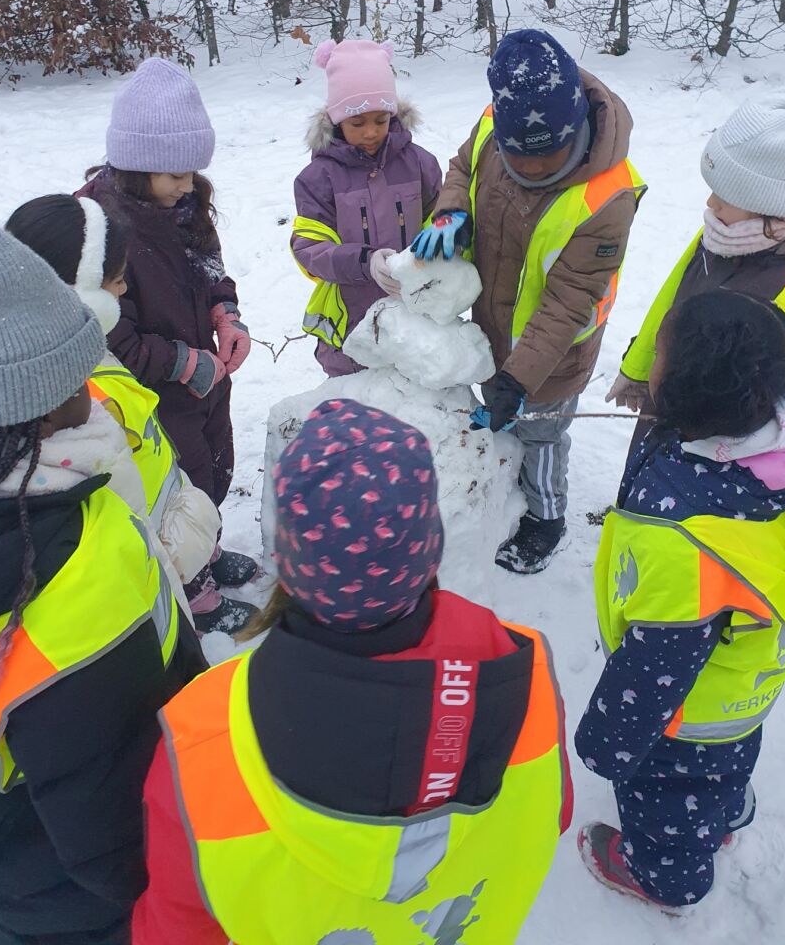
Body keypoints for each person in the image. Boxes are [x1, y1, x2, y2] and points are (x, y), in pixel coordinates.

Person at [133, 399, 572, 945]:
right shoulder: (524, 673)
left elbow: (176, 931)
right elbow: (550, 815)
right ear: (429, 544)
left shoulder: (200, 739)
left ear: (290, 558)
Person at [0, 184, 207, 945]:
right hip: (106, 908)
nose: (95, 398)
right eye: (73, 384)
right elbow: (125, 835)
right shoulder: (79, 578)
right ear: (19, 410)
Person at [576, 290, 785, 909]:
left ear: (677, 388)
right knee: (729, 758)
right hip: (748, 674)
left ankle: (666, 876)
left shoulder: (681, 536)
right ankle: (727, 809)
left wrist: (608, 743)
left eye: (660, 351)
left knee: (665, 792)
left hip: (690, 707)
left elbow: (659, 664)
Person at [411, 29, 644, 574]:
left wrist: (520, 380)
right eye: (522, 158)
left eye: (549, 157)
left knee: (540, 434)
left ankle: (546, 515)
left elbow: (568, 302)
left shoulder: (607, 198)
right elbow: (463, 167)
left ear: (575, 131)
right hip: (494, 324)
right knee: (504, 419)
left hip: (556, 356)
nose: (534, 170)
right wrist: (452, 210)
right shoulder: (497, 120)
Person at [6, 193, 259, 635]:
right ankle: (196, 598)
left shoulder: (87, 345)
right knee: (169, 547)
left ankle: (204, 558)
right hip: (145, 516)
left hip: (163, 479)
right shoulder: (64, 397)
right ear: (76, 289)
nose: (123, 290)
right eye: (116, 281)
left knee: (187, 513)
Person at [78, 58, 254, 541]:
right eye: (175, 173)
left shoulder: (182, 203)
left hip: (206, 378)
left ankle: (208, 553)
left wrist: (227, 313)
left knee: (215, 468)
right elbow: (110, 337)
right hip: (151, 398)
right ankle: (191, 587)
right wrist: (181, 363)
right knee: (177, 488)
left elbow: (209, 264)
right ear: (137, 166)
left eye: (193, 171)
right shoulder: (99, 230)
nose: (188, 184)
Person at [609, 87, 785, 423]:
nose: (709, 203)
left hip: (722, 450)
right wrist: (641, 367)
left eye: (725, 195)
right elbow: (674, 295)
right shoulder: (728, 232)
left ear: (774, 207)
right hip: (670, 405)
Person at [292, 39, 443, 377]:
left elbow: (445, 220)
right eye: (357, 123)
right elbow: (310, 249)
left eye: (381, 119)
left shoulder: (420, 164)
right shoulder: (317, 179)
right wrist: (365, 262)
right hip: (350, 325)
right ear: (336, 121)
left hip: (417, 317)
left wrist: (429, 254)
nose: (371, 132)